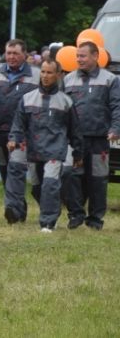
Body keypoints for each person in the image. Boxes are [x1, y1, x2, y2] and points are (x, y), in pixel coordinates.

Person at [5, 59, 83, 231]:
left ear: (58, 75)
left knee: (50, 183)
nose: (45, 76)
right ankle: (39, 210)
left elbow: (74, 131)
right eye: (43, 72)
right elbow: (18, 124)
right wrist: (14, 139)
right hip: (34, 149)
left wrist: (78, 154)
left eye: (49, 72)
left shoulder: (66, 102)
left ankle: (48, 222)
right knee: (38, 187)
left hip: (56, 150)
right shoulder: (27, 98)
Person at [62, 40, 120, 230]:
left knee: (97, 179)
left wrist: (115, 128)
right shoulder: (68, 79)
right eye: (77, 56)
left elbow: (116, 106)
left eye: (83, 56)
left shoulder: (110, 79)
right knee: (71, 176)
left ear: (95, 56)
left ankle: (95, 219)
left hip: (99, 139)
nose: (79, 59)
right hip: (75, 140)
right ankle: (76, 214)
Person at [0, 39, 39, 185]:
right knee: (4, 168)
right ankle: (14, 203)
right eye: (8, 53)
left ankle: (16, 204)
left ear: (25, 54)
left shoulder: (36, 75)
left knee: (17, 168)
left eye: (15, 53)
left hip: (24, 133)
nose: (11, 57)